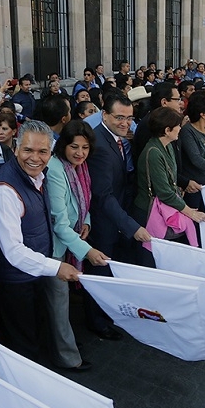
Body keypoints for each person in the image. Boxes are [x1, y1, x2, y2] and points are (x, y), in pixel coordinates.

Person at [0, 120, 81, 361]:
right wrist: (56, 266)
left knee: (36, 334)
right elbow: (13, 251)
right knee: (24, 345)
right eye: (28, 150)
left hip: (35, 274)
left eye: (42, 151)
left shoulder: (38, 176)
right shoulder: (4, 191)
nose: (35, 158)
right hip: (17, 282)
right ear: (16, 147)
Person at [85, 94, 150, 339]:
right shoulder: (100, 145)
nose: (125, 123)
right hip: (104, 223)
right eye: (119, 117)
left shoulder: (119, 140)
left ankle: (108, 316)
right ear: (104, 115)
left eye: (129, 118)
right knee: (99, 273)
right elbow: (103, 195)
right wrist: (130, 225)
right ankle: (97, 322)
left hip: (117, 219)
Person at [45, 120, 109, 367]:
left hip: (72, 236)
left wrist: (87, 222)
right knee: (58, 302)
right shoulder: (56, 169)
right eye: (74, 146)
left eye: (84, 147)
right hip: (55, 247)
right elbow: (59, 224)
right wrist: (88, 251)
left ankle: (65, 342)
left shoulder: (79, 167)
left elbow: (84, 199)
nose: (80, 152)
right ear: (63, 146)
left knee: (61, 302)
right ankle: (67, 358)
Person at [133, 107, 205, 263]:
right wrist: (190, 212)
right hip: (149, 211)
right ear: (167, 130)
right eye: (178, 126)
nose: (181, 128)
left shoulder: (167, 146)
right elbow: (164, 192)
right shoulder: (153, 152)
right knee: (152, 259)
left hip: (164, 207)